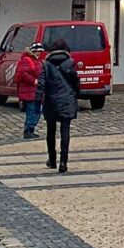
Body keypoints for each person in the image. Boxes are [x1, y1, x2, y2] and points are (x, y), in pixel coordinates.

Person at [40, 43, 81, 173]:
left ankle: (52, 160)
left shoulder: (46, 65)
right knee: (65, 131)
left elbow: (42, 83)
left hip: (51, 100)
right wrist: (75, 94)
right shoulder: (70, 64)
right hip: (67, 99)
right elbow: (75, 82)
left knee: (50, 131)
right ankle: (63, 162)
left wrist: (36, 99)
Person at [15, 44, 45, 140]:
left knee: (37, 110)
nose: (39, 53)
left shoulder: (38, 60)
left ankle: (31, 129)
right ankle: (28, 130)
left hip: (36, 91)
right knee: (32, 110)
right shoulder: (27, 60)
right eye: (38, 51)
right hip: (30, 90)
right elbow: (23, 73)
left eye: (40, 51)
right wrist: (33, 80)